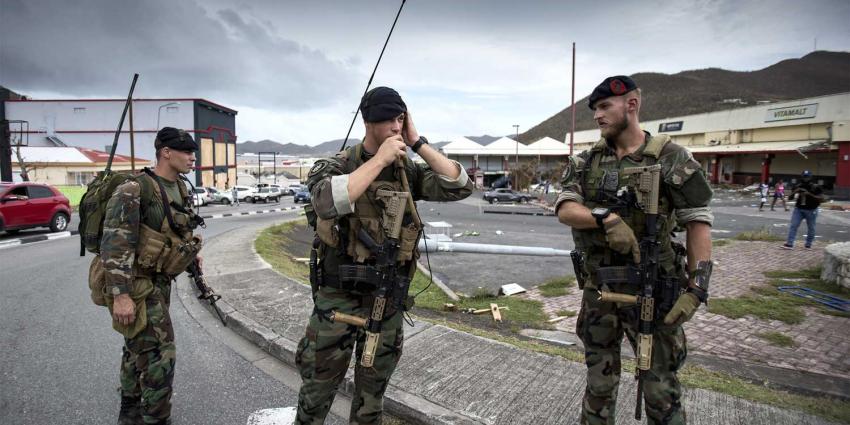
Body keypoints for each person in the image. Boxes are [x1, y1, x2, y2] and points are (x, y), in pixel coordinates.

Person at [295, 86, 473, 425]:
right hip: (338, 302)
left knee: (371, 401)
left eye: (400, 119)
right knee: (316, 394)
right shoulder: (336, 164)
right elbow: (326, 202)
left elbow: (459, 186)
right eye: (388, 119)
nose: (395, 126)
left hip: (387, 300)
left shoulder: (407, 171)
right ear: (367, 122)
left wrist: (417, 142)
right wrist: (380, 160)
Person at [556, 76, 713, 424]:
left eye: (604, 107)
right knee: (599, 383)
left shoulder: (673, 158)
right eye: (594, 109)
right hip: (601, 291)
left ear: (632, 104)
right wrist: (606, 219)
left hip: (654, 292)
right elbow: (565, 208)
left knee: (660, 389)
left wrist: (697, 288)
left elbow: (697, 221)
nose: (597, 115)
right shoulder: (585, 162)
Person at [101, 127, 204, 425]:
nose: (192, 157)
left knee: (137, 346)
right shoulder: (135, 189)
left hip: (161, 282)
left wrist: (190, 254)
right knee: (161, 354)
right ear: (166, 153)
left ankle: (130, 410)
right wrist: (121, 295)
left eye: (193, 152)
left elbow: (177, 228)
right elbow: (115, 244)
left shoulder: (181, 187)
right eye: (186, 151)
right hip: (136, 284)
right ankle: (156, 418)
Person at [782, 170, 826, 249]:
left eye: (807, 177)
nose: (806, 179)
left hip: (811, 209)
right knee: (793, 225)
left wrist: (809, 194)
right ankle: (789, 243)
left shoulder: (815, 187)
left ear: (810, 177)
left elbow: (822, 199)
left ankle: (808, 244)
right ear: (802, 177)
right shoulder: (798, 186)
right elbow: (789, 198)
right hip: (799, 209)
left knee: (811, 227)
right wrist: (795, 191)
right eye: (804, 177)